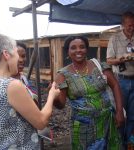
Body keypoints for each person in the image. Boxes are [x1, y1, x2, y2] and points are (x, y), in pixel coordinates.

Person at [0, 32, 60, 150]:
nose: (19, 59)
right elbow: (40, 122)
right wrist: (51, 96)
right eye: (16, 54)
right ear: (6, 54)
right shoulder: (12, 85)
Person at [53, 35, 125, 150]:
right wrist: (53, 97)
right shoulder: (63, 75)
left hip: (107, 121)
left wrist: (119, 111)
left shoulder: (99, 66)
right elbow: (61, 104)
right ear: (68, 51)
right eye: (73, 48)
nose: (78, 50)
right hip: (82, 128)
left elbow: (115, 85)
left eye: (82, 47)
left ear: (86, 49)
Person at [106, 11, 134, 148]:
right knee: (120, 115)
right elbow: (109, 61)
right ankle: (119, 143)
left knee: (133, 116)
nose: (132, 28)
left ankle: (130, 143)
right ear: (123, 25)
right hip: (120, 81)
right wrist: (122, 58)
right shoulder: (115, 38)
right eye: (129, 25)